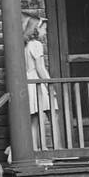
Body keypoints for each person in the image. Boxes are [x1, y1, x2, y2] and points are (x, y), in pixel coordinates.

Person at [24, 15, 58, 149]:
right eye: (44, 29)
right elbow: (40, 68)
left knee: (35, 119)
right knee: (52, 114)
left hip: (29, 82)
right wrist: (49, 85)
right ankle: (52, 148)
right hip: (38, 82)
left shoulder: (26, 45)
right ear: (36, 30)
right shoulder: (37, 45)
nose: (45, 32)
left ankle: (35, 149)